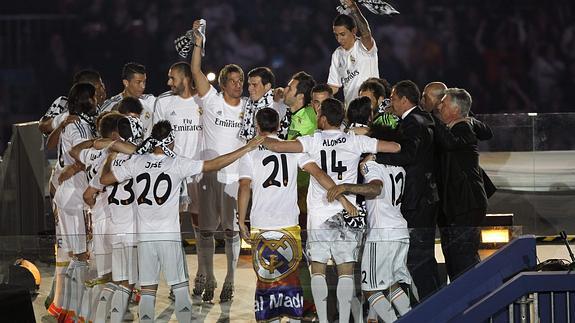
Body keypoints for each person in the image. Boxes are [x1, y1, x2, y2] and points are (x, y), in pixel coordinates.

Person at [99, 120, 263, 322]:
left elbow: (104, 180)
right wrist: (246, 148)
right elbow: (214, 164)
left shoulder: (136, 162)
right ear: (169, 141)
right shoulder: (177, 163)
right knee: (180, 289)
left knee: (148, 291)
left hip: (144, 238)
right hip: (169, 237)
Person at [264, 98, 400, 323]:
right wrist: (369, 150)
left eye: (319, 115)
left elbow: (277, 146)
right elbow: (394, 147)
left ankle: (325, 320)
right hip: (348, 213)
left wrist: (257, 139)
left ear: (324, 119)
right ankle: (345, 320)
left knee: (317, 269)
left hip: (319, 212)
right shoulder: (354, 140)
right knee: (345, 271)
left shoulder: (313, 140)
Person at [237, 108, 352, 322]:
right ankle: (293, 318)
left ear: (257, 126)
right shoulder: (293, 149)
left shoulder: (250, 152)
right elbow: (318, 173)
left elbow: (244, 187)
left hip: (262, 224)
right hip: (288, 224)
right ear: (279, 126)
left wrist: (241, 220)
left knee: (266, 279)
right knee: (290, 278)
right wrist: (341, 196)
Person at [326, 125, 413, 321]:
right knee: (390, 285)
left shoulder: (370, 164)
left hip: (382, 235)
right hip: (400, 230)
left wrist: (345, 187)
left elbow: (375, 189)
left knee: (370, 289)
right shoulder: (400, 167)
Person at [191, 19, 247, 302]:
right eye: (233, 81)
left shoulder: (249, 107)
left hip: (235, 178)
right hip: (209, 174)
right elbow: (195, 70)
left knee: (230, 231)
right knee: (205, 231)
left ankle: (230, 280)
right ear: (223, 84)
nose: (238, 86)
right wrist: (198, 41)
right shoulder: (211, 100)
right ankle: (209, 276)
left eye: (241, 81)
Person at [375, 80, 440, 301]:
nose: (391, 103)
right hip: (427, 196)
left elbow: (409, 155)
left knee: (417, 257)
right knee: (425, 257)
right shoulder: (426, 118)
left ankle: (430, 307)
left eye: (393, 98)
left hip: (416, 198)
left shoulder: (412, 123)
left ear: (404, 99)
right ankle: (436, 302)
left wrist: (377, 157)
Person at [53, 83, 99, 322]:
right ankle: (76, 312)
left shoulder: (73, 122)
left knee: (75, 256)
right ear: (87, 99)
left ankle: (65, 309)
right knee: (81, 257)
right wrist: (73, 169)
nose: (97, 100)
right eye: (94, 97)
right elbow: (78, 155)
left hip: (67, 194)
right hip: (76, 196)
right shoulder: (79, 126)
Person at [433, 88, 488, 280]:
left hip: (466, 203)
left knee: (463, 261)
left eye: (443, 104)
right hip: (458, 204)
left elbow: (450, 143)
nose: (439, 106)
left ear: (455, 110)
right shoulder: (458, 126)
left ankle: (476, 303)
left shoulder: (464, 127)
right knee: (456, 261)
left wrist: (431, 115)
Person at [328, 0, 378, 107]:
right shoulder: (337, 54)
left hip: (371, 108)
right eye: (336, 35)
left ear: (354, 31)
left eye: (342, 34)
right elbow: (334, 87)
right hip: (351, 111)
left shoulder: (364, 47)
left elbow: (366, 32)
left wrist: (354, 8)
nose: (339, 39)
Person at [98, 62, 156, 137]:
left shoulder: (150, 101)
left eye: (144, 82)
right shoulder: (109, 106)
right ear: (126, 82)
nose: (143, 86)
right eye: (138, 82)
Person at [240, 66, 287, 140]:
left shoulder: (279, 103)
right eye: (249, 84)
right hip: (251, 150)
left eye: (254, 85)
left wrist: (281, 93)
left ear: (267, 86)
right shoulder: (248, 104)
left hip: (273, 149)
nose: (249, 88)